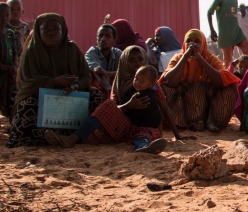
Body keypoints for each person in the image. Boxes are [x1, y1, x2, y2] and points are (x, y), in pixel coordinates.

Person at [47, 47, 182, 152]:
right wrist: (129, 105)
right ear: (124, 61)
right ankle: (70, 139)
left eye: (140, 60)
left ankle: (143, 148)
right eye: (131, 60)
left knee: (146, 135)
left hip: (146, 127)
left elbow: (164, 108)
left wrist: (178, 135)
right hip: (123, 126)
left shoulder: (152, 82)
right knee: (108, 105)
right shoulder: (120, 80)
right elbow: (114, 110)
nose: (136, 63)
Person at [7, 14, 103, 148]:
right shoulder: (32, 52)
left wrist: (75, 86)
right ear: (38, 32)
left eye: (55, 29)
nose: (51, 33)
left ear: (62, 31)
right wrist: (54, 82)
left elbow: (86, 77)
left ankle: (78, 135)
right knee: (27, 105)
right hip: (40, 96)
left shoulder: (72, 50)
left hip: (70, 94)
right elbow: (26, 83)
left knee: (97, 97)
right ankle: (44, 138)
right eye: (46, 30)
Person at [160, 29, 241, 132]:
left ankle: (212, 122)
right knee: (163, 88)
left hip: (205, 107)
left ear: (203, 44)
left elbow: (221, 81)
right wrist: (185, 56)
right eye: (189, 41)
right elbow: (169, 81)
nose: (192, 44)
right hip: (184, 107)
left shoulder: (211, 59)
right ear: (184, 43)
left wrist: (199, 58)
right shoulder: (178, 58)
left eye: (197, 41)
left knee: (230, 88)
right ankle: (186, 124)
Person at [208, 0, 248, 68]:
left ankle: (241, 70)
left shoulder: (235, 0)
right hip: (225, 35)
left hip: (236, 32)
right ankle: (227, 78)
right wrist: (212, 30)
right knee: (227, 62)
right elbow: (209, 12)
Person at [86, 24, 120, 92]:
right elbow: (98, 72)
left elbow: (127, 72)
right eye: (100, 36)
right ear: (97, 39)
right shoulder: (92, 52)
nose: (103, 39)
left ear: (114, 41)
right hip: (97, 92)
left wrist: (107, 73)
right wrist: (108, 89)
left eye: (107, 36)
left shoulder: (118, 53)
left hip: (115, 92)